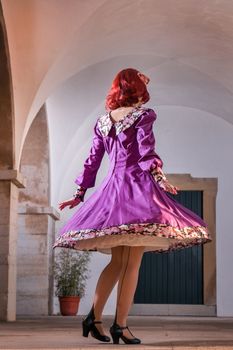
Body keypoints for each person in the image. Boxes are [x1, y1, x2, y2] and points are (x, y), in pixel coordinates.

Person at [53, 68, 212, 345]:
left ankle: (94, 318)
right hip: (136, 189)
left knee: (118, 262)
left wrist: (80, 194)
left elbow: (93, 160)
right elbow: (145, 151)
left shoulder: (102, 122)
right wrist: (161, 180)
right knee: (132, 263)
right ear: (136, 88)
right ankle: (120, 326)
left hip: (111, 191)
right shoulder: (143, 115)